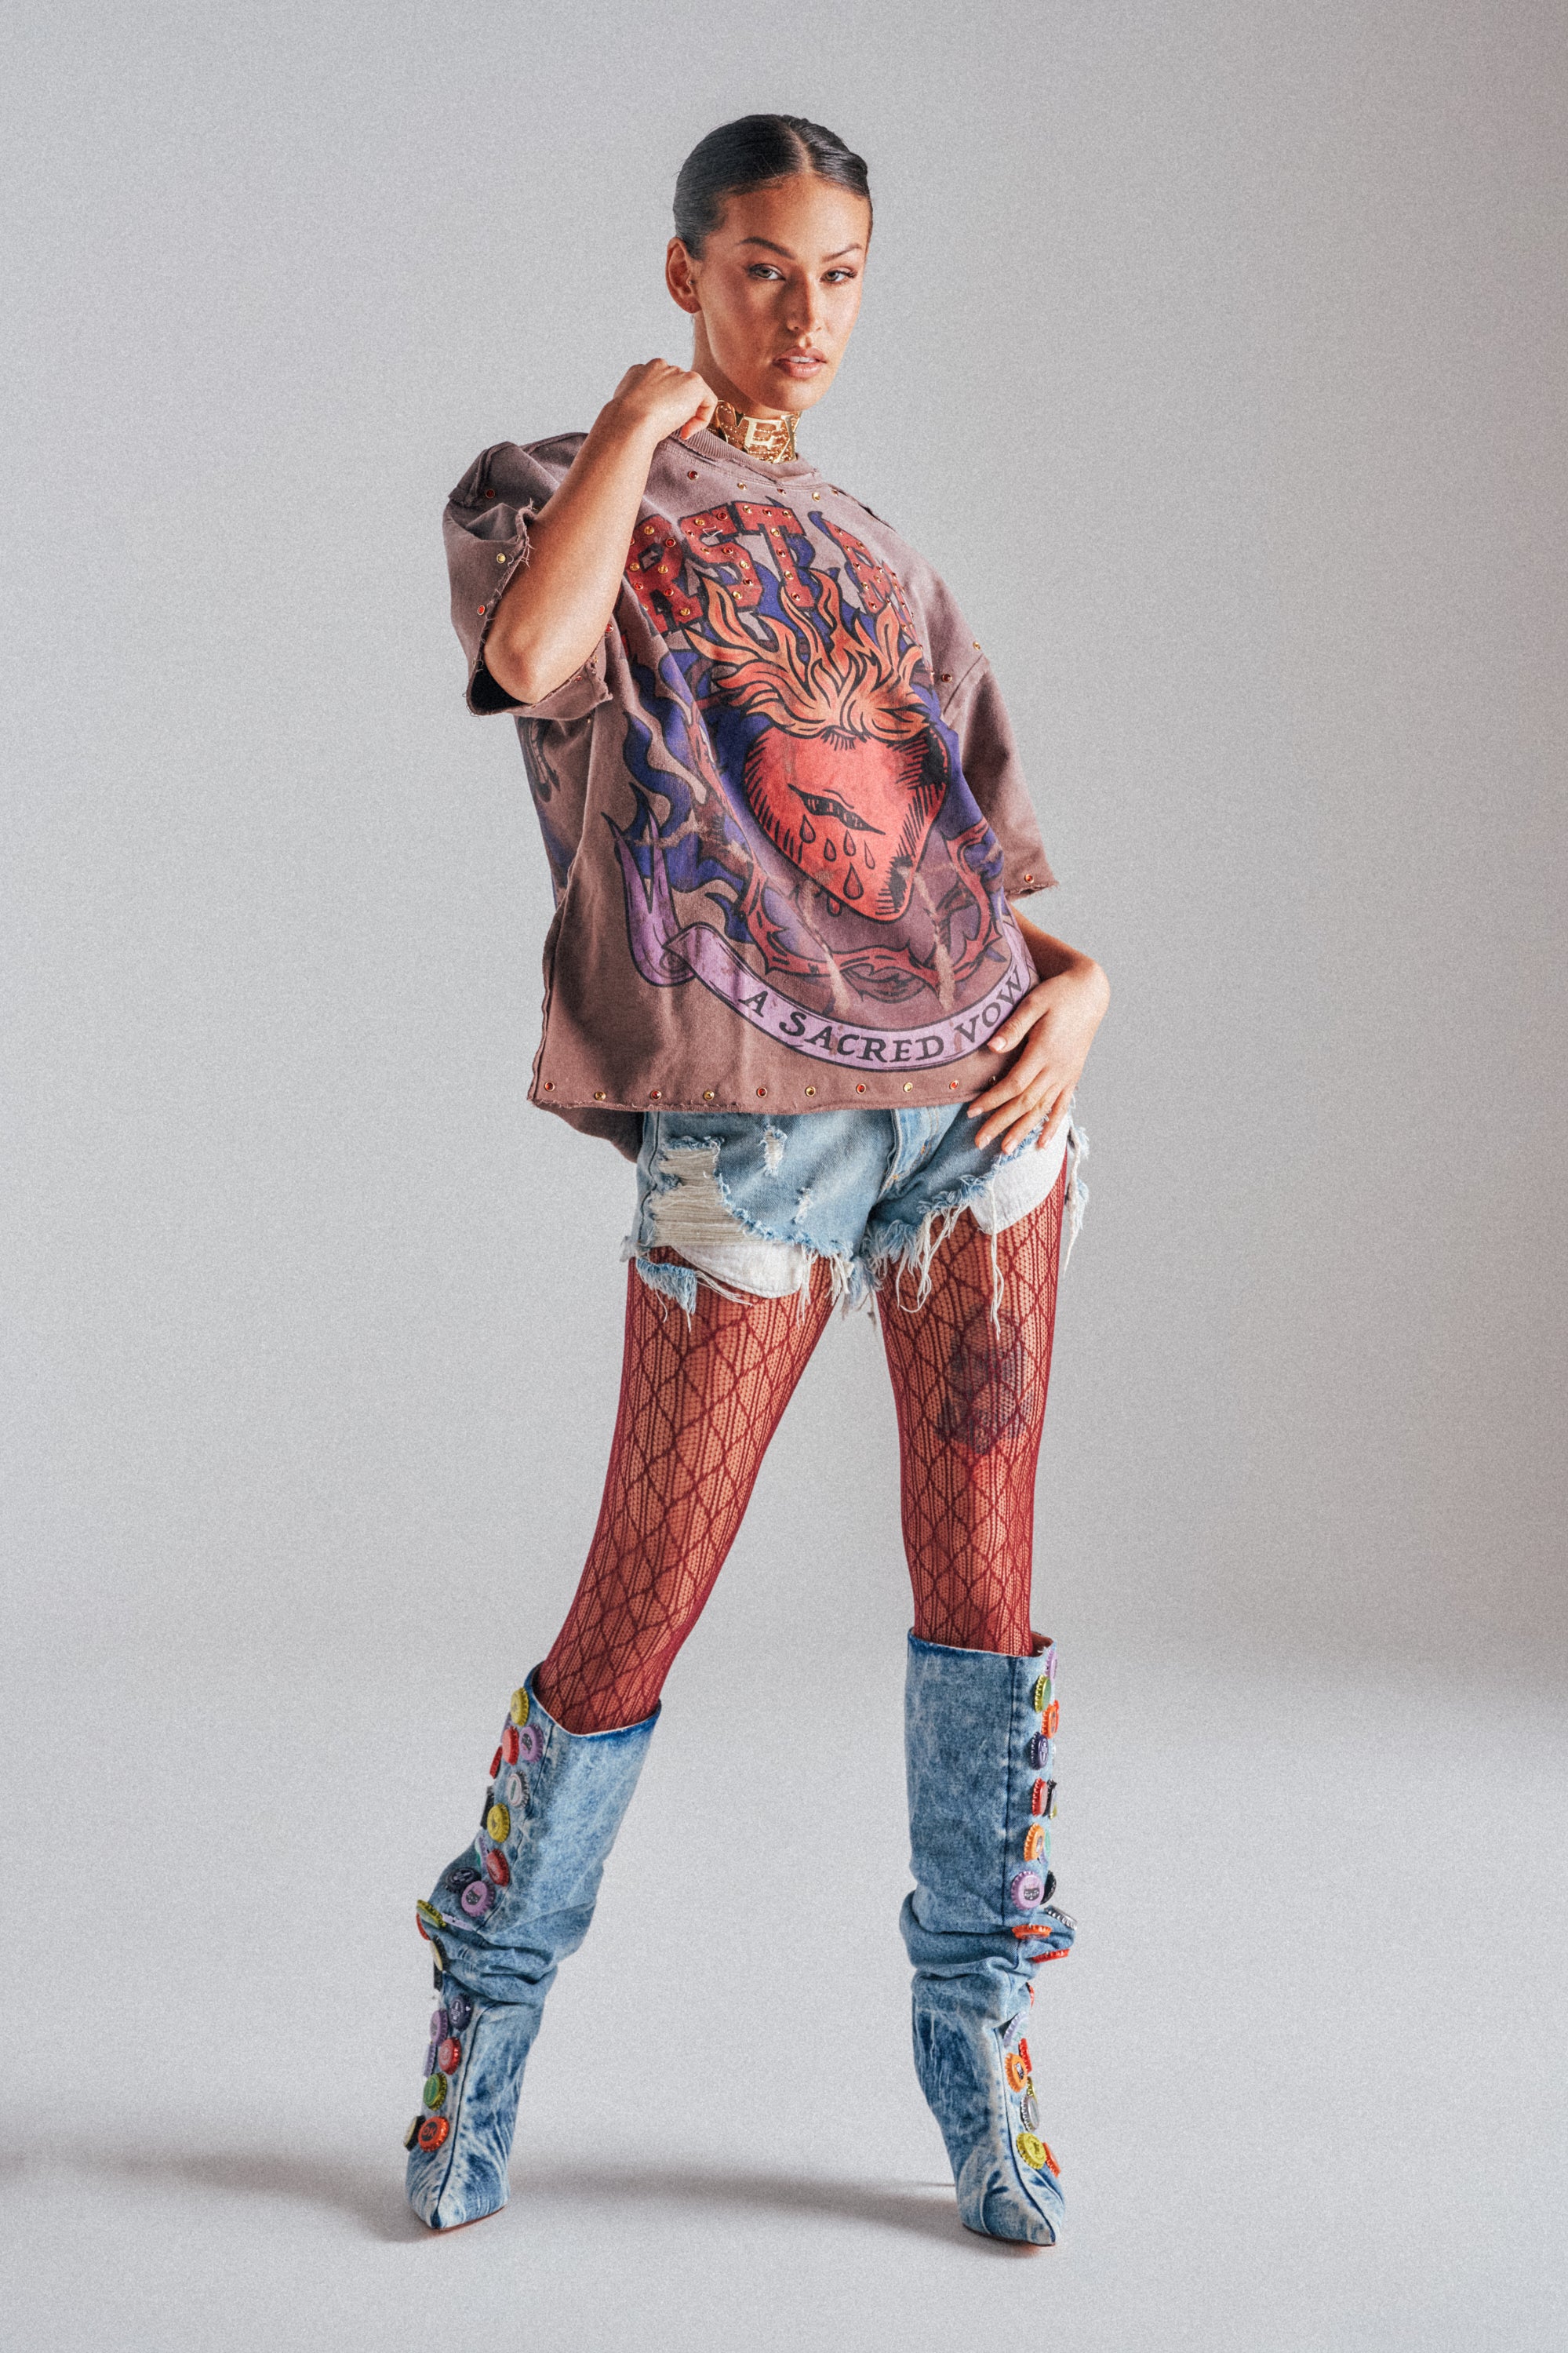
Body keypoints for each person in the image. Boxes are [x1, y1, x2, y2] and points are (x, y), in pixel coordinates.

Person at [404, 114, 1109, 2246]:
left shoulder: (887, 557)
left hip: (980, 1117)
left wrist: (1086, 988)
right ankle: (482, 2024)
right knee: (641, 1605)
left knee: (981, 1603)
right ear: (688, 271)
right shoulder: (550, 488)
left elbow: (984, 868)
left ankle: (981, 2056)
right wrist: (639, 416)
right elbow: (532, 665)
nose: (808, 318)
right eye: (766, 270)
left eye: (845, 275)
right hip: (751, 1128)